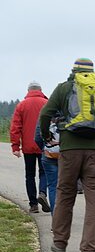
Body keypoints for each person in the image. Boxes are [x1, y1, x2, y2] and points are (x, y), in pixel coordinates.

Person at [39, 58, 95, 252]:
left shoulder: (64, 88)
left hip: (69, 150)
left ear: (73, 71)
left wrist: (46, 135)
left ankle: (59, 243)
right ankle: (89, 249)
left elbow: (46, 113)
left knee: (65, 194)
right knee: (93, 198)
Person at [10, 81, 51, 213]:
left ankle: (33, 205)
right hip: (45, 145)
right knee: (44, 172)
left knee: (30, 175)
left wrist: (15, 146)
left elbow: (15, 127)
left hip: (28, 146)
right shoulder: (47, 104)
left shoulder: (21, 105)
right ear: (40, 90)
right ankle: (43, 193)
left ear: (28, 91)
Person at [35, 115, 61, 214]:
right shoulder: (68, 111)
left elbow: (37, 137)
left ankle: (56, 220)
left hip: (49, 155)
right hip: (65, 155)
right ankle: (64, 218)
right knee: (66, 187)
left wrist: (45, 148)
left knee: (52, 186)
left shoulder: (46, 114)